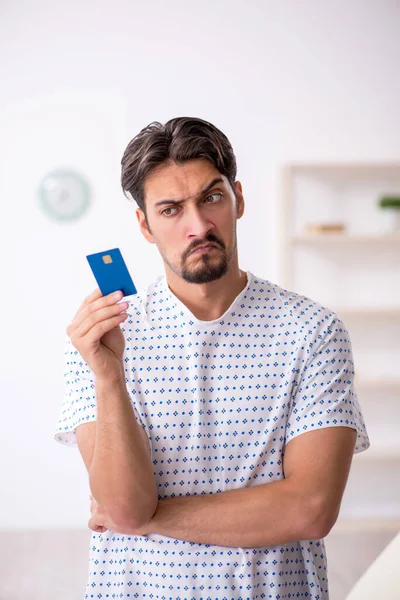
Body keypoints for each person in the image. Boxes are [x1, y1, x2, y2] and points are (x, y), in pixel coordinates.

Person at [54, 116, 370, 600]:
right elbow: (122, 502)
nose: (197, 226)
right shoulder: (102, 340)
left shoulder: (313, 332)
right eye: (171, 209)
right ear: (145, 224)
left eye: (211, 198)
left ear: (238, 198)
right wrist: (109, 375)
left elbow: (309, 510)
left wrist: (150, 517)